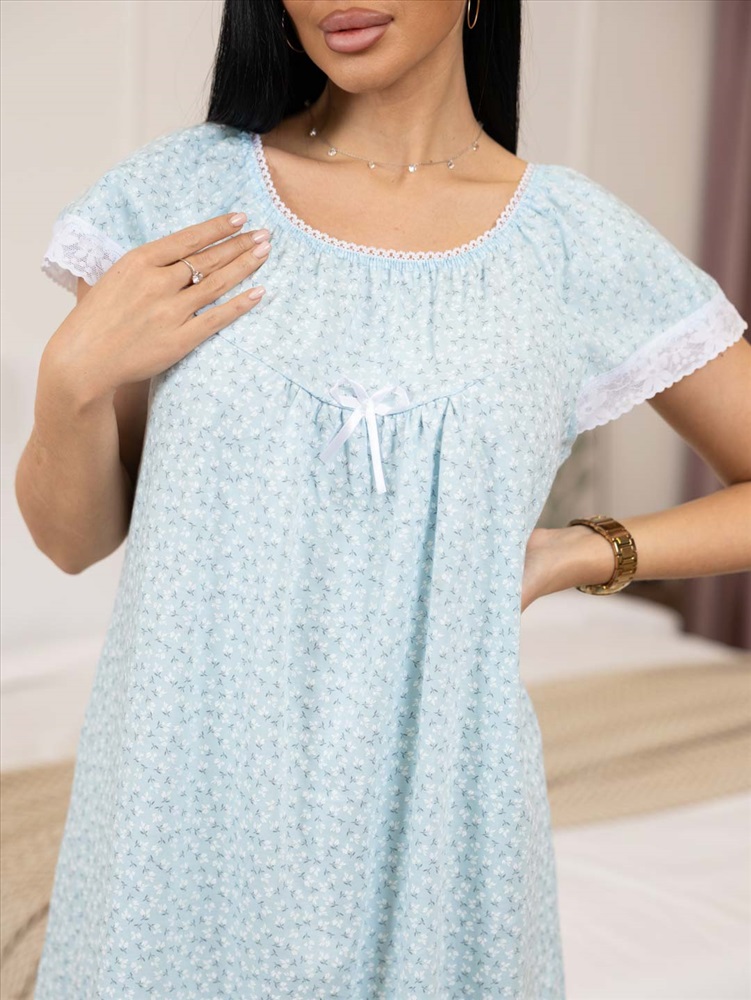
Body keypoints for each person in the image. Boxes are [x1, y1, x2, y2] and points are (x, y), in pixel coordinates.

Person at [18, 0, 751, 996]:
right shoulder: (181, 196)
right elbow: (72, 541)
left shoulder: (573, 243)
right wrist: (67, 382)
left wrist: (582, 550)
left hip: (441, 819)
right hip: (182, 807)